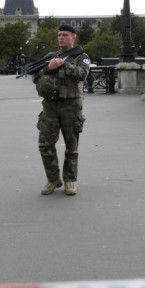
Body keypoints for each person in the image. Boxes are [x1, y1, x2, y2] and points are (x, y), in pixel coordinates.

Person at [31, 24, 90, 195]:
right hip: (50, 106)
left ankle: (70, 181)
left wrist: (62, 65)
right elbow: (35, 75)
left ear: (74, 37)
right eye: (59, 35)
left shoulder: (82, 56)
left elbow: (82, 74)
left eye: (65, 35)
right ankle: (53, 180)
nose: (61, 38)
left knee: (72, 146)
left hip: (71, 105)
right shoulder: (50, 57)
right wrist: (49, 67)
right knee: (45, 145)